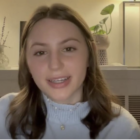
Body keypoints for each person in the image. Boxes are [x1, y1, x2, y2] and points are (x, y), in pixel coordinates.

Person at [0, 3, 140, 139]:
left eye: (68, 49)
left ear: (90, 55)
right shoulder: (3, 115)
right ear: (26, 62)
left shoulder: (123, 129)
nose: (55, 65)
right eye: (41, 52)